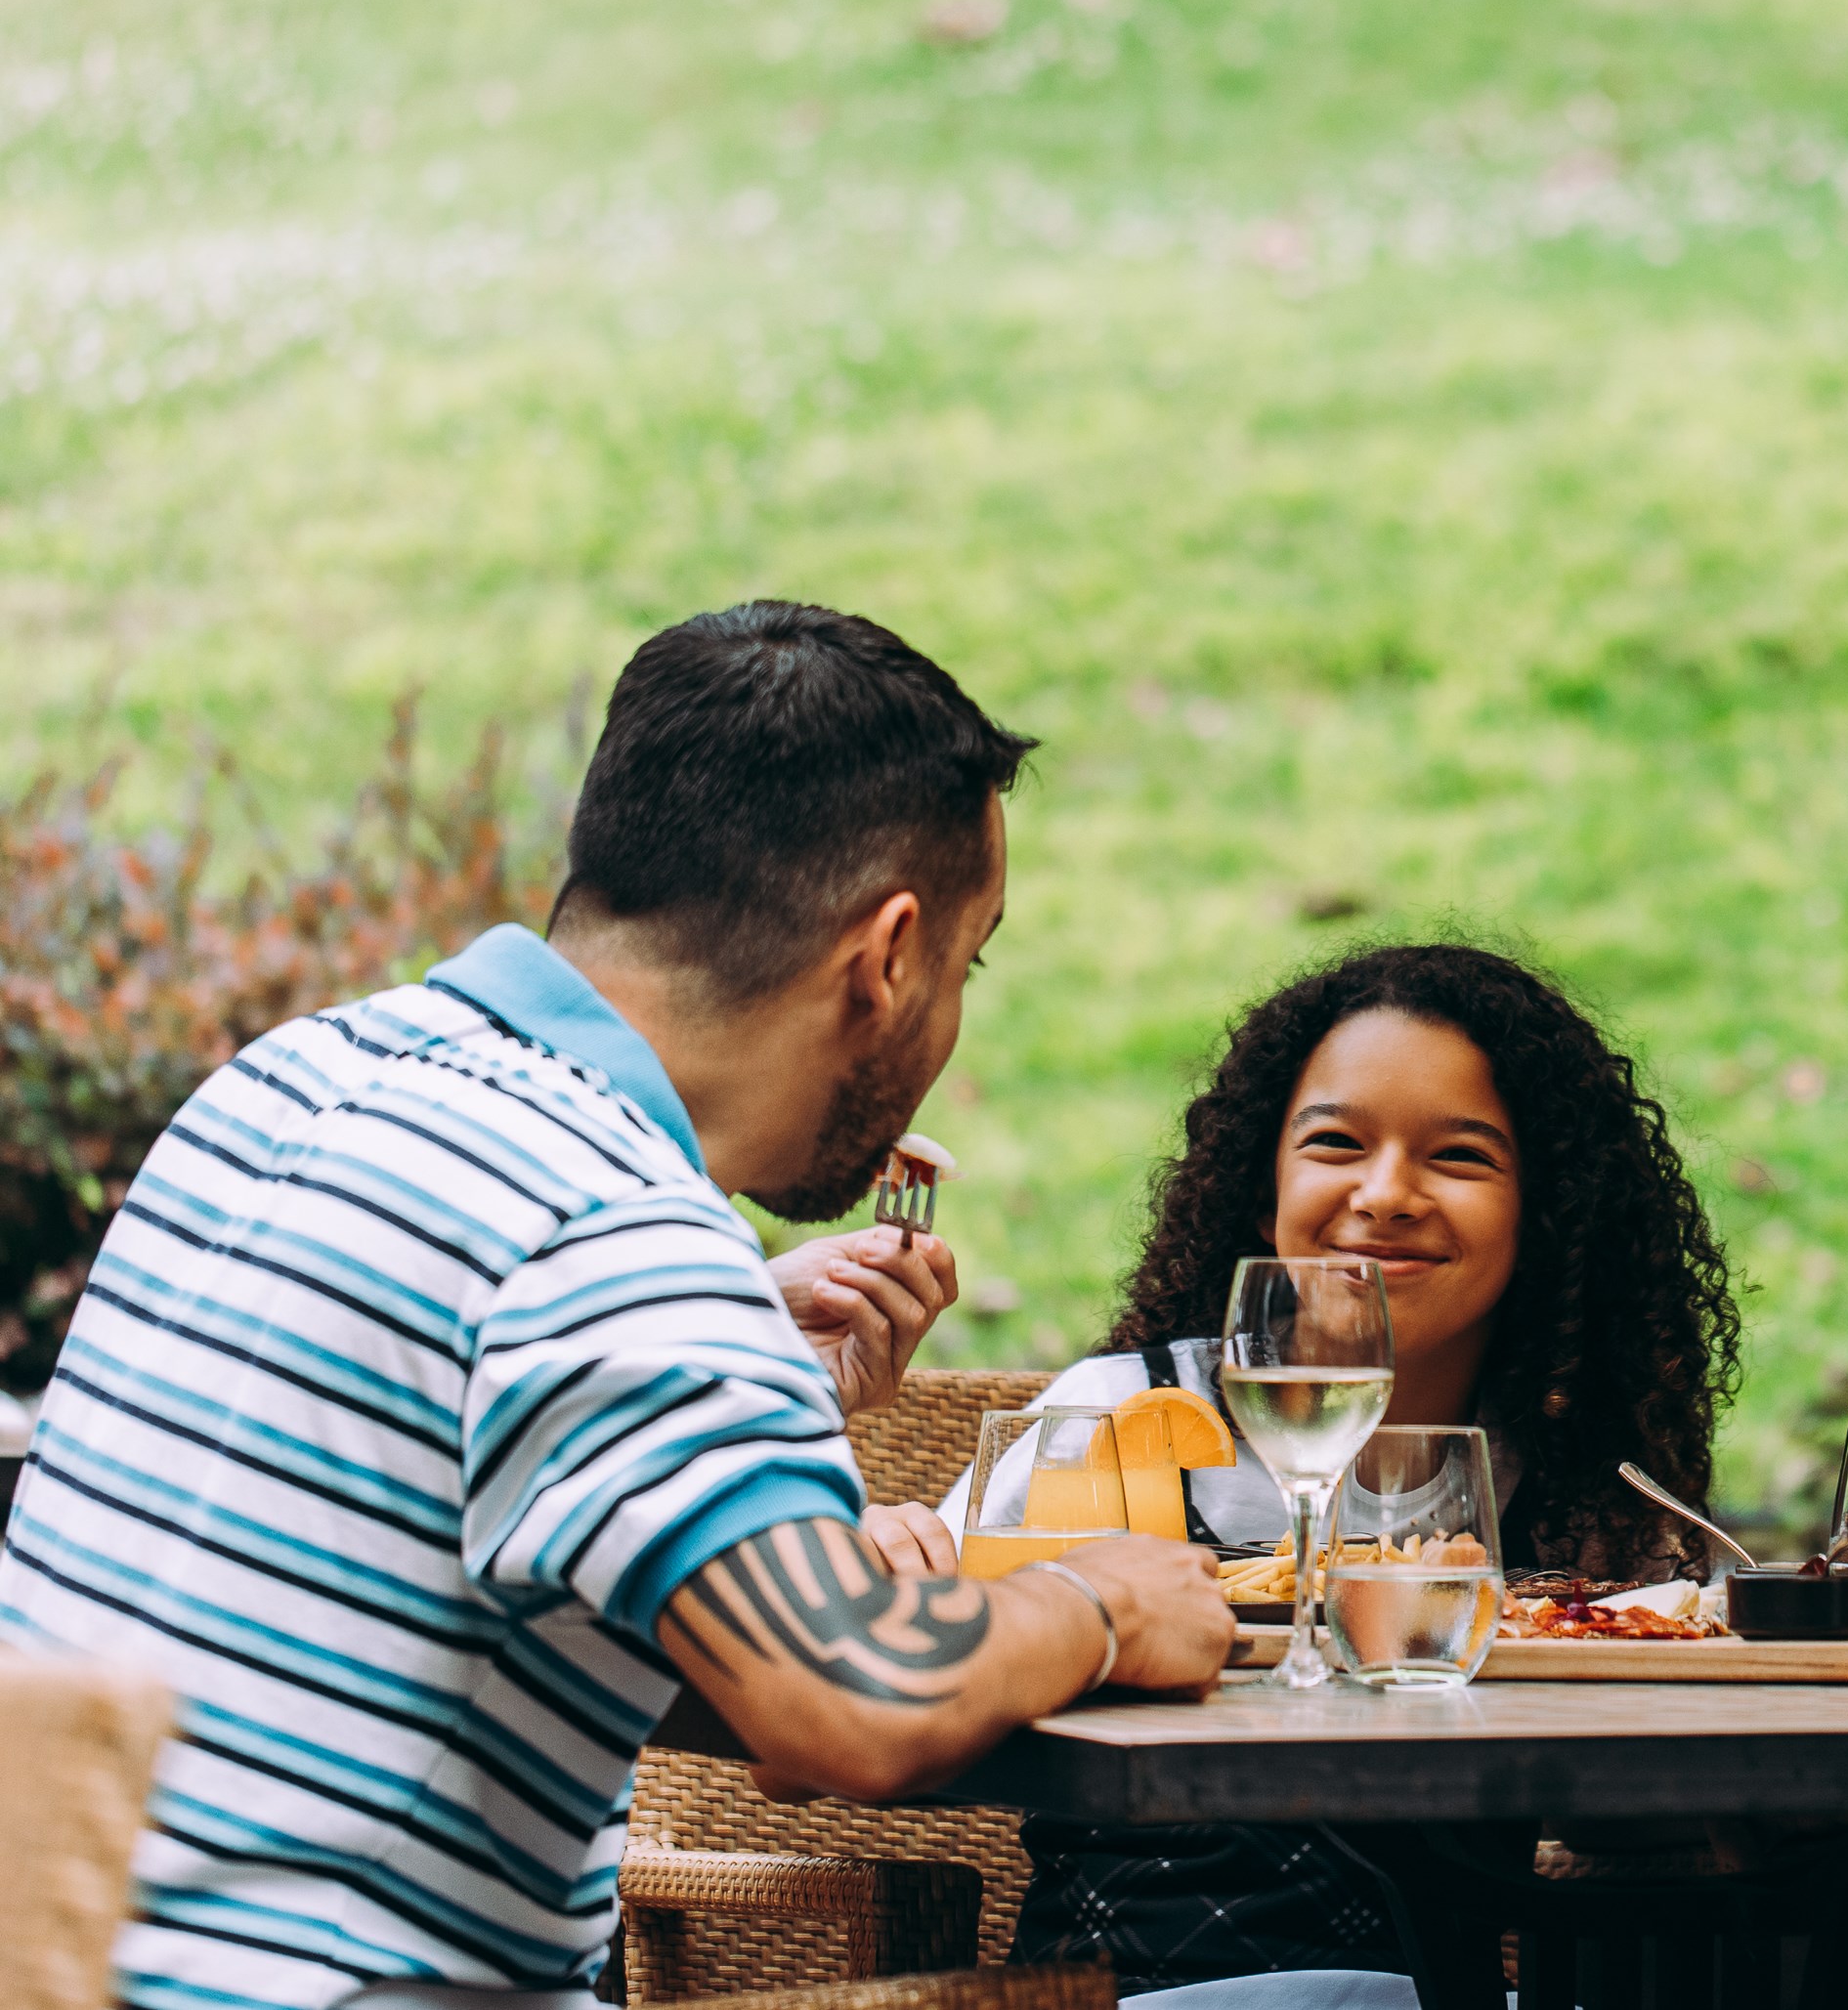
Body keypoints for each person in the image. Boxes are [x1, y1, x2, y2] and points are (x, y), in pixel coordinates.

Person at [0, 601, 1236, 2010]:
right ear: (887, 957)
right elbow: (854, 1700)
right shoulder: (614, 1228)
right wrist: (1098, 1603)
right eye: (969, 963)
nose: (952, 1013)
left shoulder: (290, 1081)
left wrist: (740, 1366)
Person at [860, 942, 1743, 1999]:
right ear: (1261, 1181)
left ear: (1545, 1211)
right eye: (1334, 1142)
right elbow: (890, 1663)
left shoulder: (1572, 1474)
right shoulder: (1112, 1421)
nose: (1386, 1193)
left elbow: (1641, 1797)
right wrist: (899, 1570)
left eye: (1457, 1157)